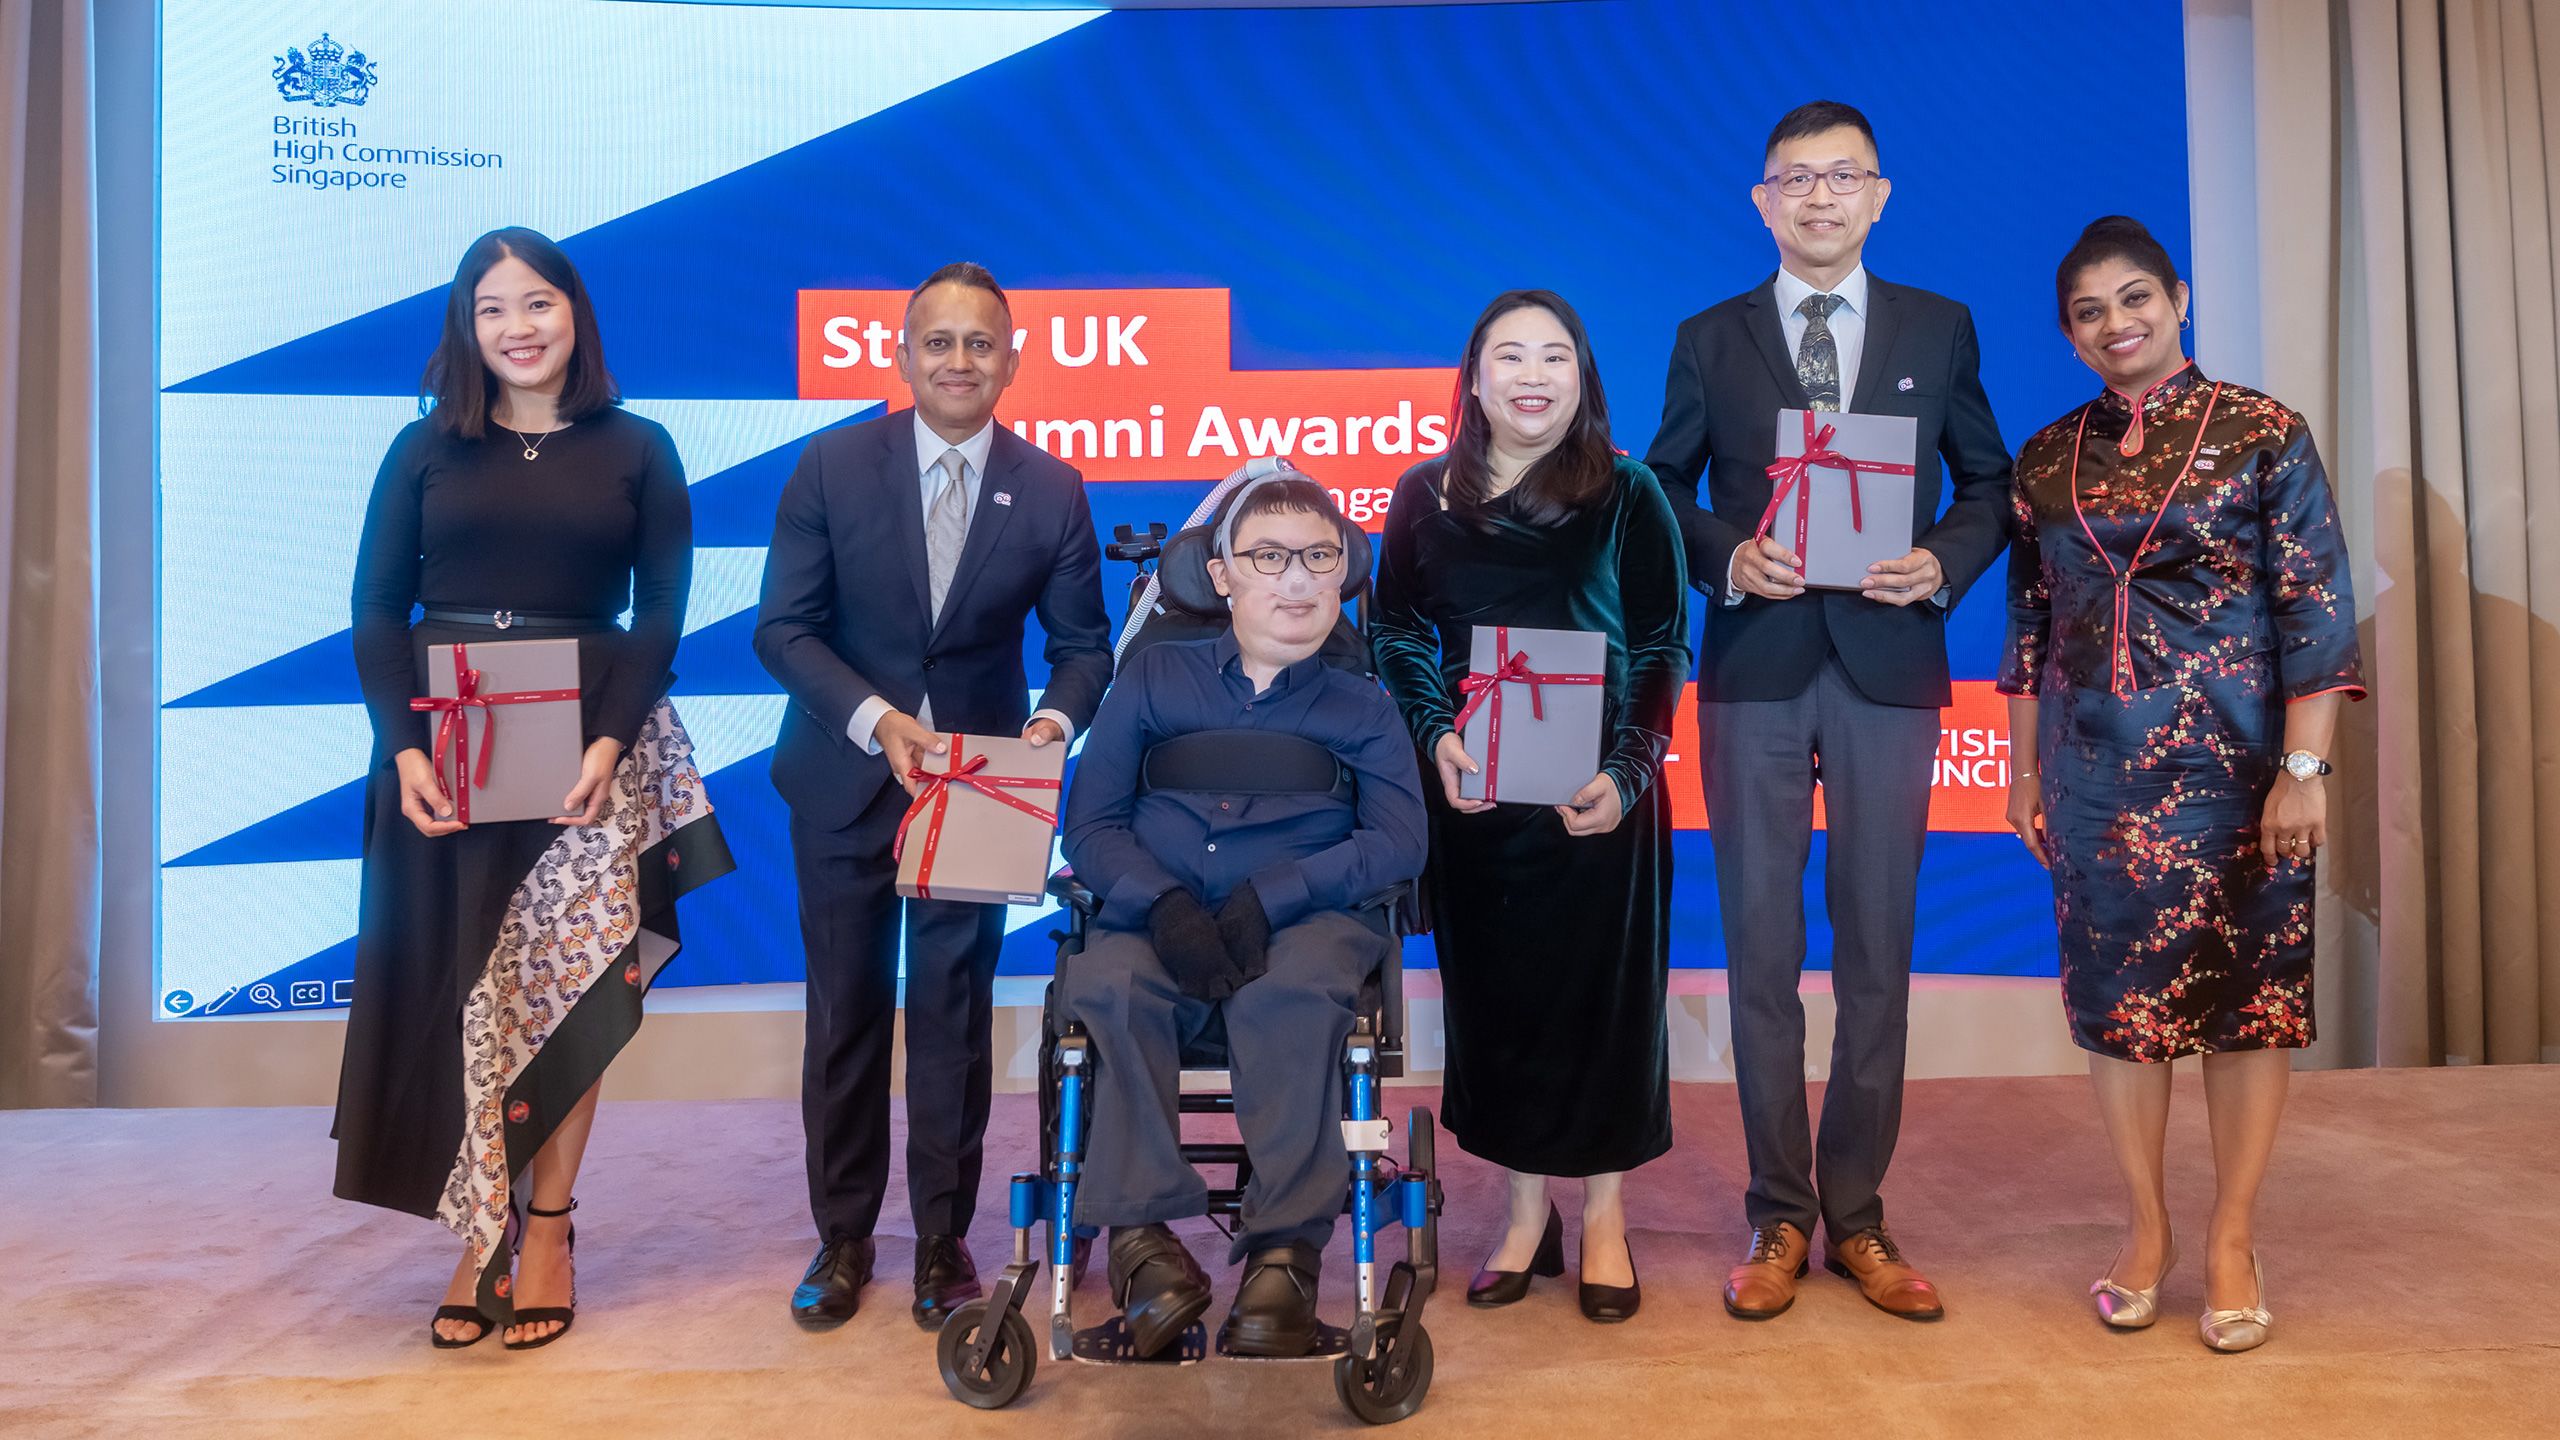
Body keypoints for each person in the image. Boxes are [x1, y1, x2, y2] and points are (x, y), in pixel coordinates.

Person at [1642, 99, 2012, 1323]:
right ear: (1763, 201)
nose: (1819, 197)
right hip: (1755, 664)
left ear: (1879, 196)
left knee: (1876, 953)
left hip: (1887, 662)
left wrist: (1942, 562)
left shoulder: (1937, 326)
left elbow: (1988, 481)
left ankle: (1856, 1214)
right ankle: (1776, 1213)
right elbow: (1660, 485)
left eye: (1841, 176)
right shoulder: (1710, 336)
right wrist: (1726, 557)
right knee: (1759, 953)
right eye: (1795, 178)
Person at [335, 226, 734, 1351]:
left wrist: (610, 740)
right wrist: (404, 749)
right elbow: (374, 610)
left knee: (567, 994)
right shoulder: (422, 448)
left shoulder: (641, 446)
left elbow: (661, 611)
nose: (518, 327)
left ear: (575, 313)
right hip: (446, 747)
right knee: (466, 994)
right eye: (493, 308)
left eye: (538, 302)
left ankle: (547, 1226)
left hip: (589, 744)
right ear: (467, 328)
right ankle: (480, 1229)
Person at [2002, 216, 2364, 1353]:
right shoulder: (2044, 457)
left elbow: (2315, 612)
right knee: (2122, 1014)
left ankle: (2233, 1236)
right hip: (2093, 776)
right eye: (2089, 312)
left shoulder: (2263, 431)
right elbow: (2028, 626)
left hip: (2239, 770)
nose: (2115, 324)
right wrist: (2021, 769)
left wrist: (2303, 771)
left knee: (2247, 1007)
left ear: (2179, 299)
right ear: (2070, 336)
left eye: (2134, 299)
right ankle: (2147, 1228)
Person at [754, 262, 1114, 1331]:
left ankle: (942, 1242)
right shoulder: (831, 465)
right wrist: (876, 719)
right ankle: (843, 1238)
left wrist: (1051, 726)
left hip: (979, 790)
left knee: (953, 1017)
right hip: (843, 774)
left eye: (980, 344)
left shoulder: (1050, 488)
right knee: (845, 1014)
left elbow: (1083, 648)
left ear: (1012, 361)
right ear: (904, 356)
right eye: (939, 342)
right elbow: (782, 630)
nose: (960, 361)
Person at [1371, 289, 1690, 1324]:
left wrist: (1628, 771)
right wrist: (1437, 737)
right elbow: (1395, 633)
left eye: (1555, 355)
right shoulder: (1422, 495)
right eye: (1509, 356)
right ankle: (1523, 1213)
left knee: (1606, 1006)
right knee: (1498, 1003)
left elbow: (1660, 643)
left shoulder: (1629, 492)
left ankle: (1603, 1216)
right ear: (1474, 380)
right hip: (1476, 791)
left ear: (1582, 376)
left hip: (1601, 795)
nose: (1532, 375)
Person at [1058, 470, 1428, 1359]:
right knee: (1112, 986)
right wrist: (1163, 902)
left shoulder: (1366, 706)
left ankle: (1283, 1266)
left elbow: (1399, 842)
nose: (1297, 580)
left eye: (1319, 558)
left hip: (1307, 925)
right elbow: (1091, 827)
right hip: (1160, 919)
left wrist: (1276, 894)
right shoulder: (1151, 680)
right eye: (1269, 558)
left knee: (1288, 996)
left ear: (1342, 574)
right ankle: (1145, 1254)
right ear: (1221, 576)